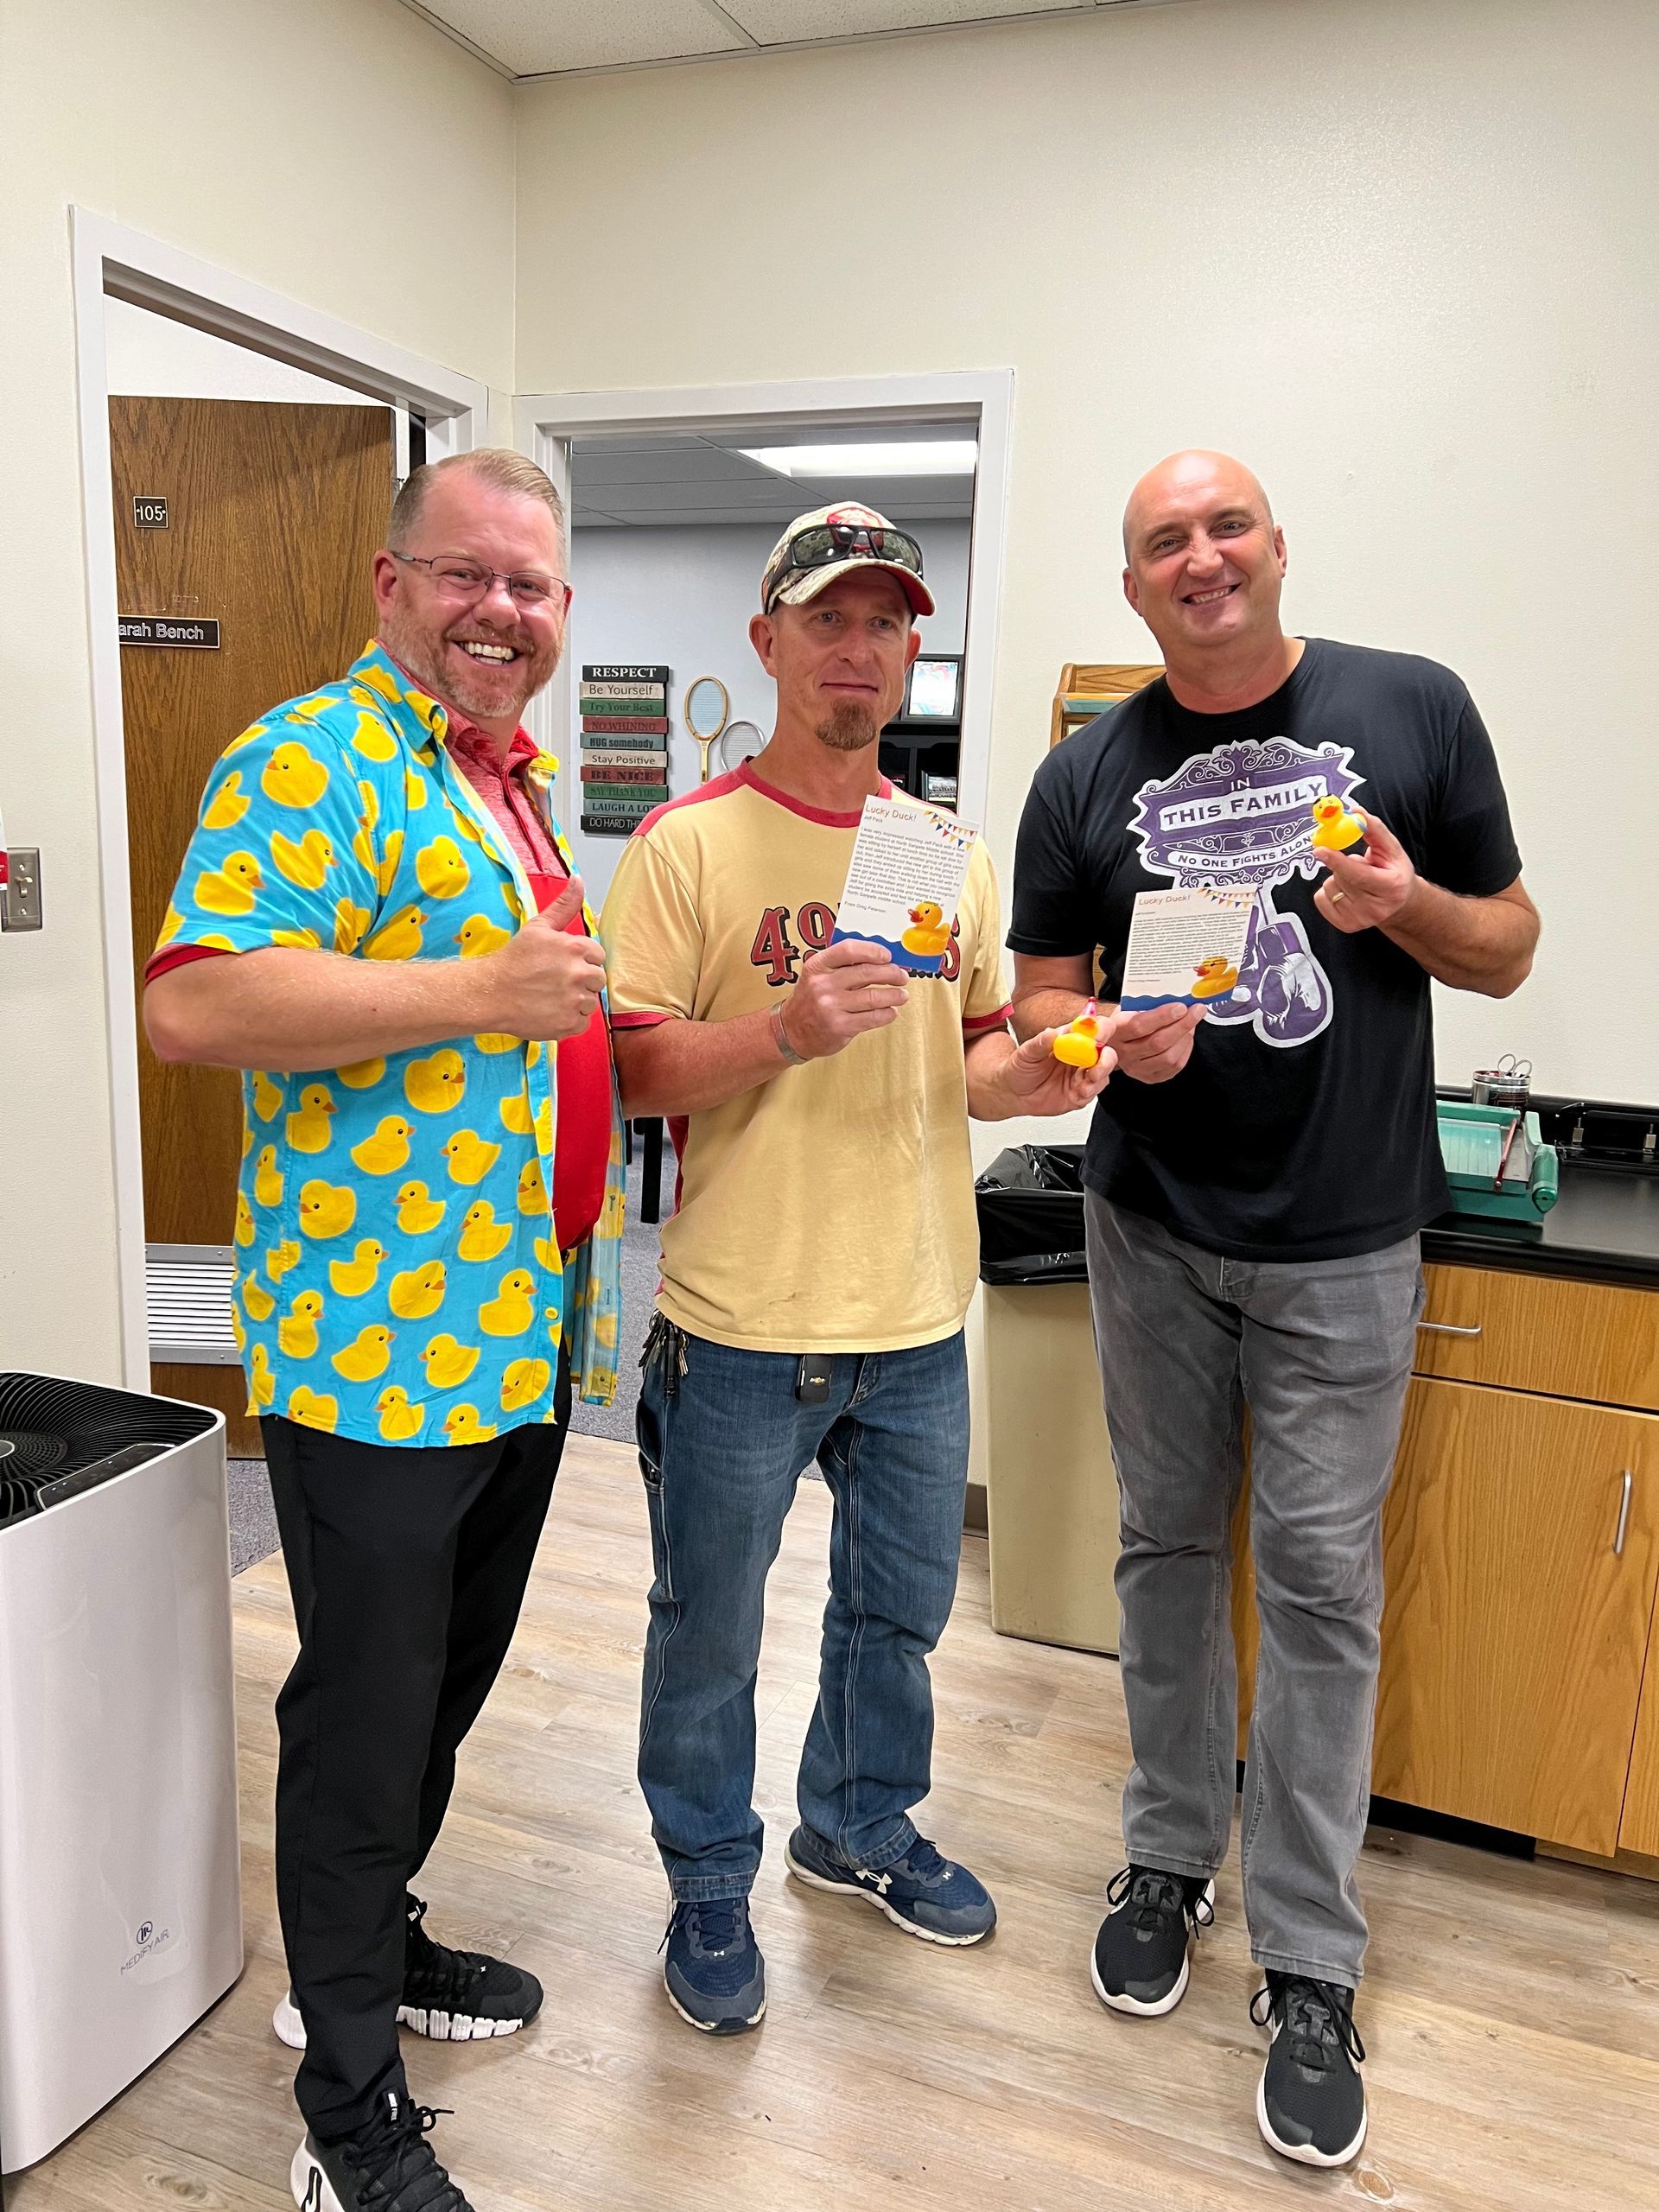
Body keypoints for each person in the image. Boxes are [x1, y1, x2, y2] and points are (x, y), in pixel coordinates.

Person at [1008, 450, 1537, 2170]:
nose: (1202, 556)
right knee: (1166, 1549)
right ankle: (1169, 1852)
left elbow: (1510, 942)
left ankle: (1311, 1954)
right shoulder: (1081, 777)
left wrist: (1410, 907)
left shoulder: (1416, 710)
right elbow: (1038, 1011)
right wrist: (1101, 1043)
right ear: (1137, 585)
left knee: (1318, 1582)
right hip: (1150, 1221)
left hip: (1345, 1240)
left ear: (1274, 546)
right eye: (1166, 539)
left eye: (1225, 525)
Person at [143, 449, 626, 2212]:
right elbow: (195, 1002)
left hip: (516, 1328)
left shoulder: (512, 783)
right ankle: (346, 2100)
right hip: (379, 1350)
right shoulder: (307, 758)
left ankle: (378, 1935)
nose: (505, 609)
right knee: (361, 1709)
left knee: (443, 1680)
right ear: (391, 583)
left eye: (536, 585)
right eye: (470, 575)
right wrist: (472, 987)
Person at [601, 503, 1111, 2035]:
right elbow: (623, 1075)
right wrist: (779, 1029)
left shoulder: (944, 849)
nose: (859, 649)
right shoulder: (688, 847)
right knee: (712, 1631)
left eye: (886, 623)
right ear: (768, 644)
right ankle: (706, 1875)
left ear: (910, 655)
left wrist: (1035, 1078)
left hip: (913, 1315)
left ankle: (856, 1823)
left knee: (896, 1618)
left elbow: (958, 1053)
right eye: (828, 619)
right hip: (739, 1323)